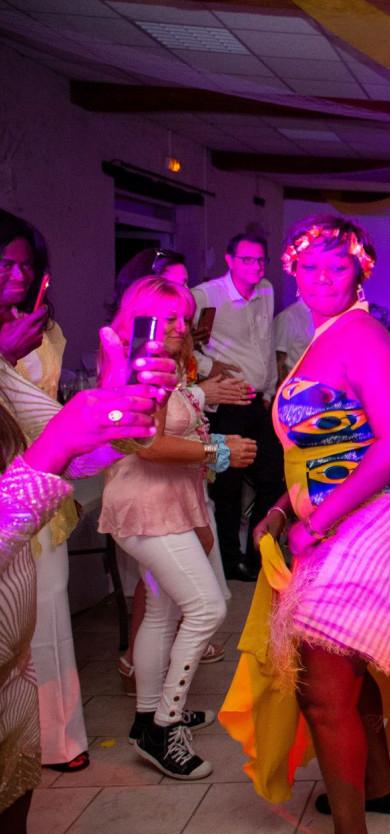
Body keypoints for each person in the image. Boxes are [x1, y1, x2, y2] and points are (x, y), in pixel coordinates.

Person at [252, 215, 390, 832]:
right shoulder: (322, 335)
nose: (323, 278)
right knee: (345, 661)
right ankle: (380, 788)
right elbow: (325, 448)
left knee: (322, 691)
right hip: (340, 513)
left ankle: (350, 827)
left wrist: (319, 521)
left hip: (373, 517)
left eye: (338, 266)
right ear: (294, 272)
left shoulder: (360, 334)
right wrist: (286, 507)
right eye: (310, 267)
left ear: (361, 271)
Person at [0, 281, 177, 832]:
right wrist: (55, 448)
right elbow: (52, 452)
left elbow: (78, 454)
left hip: (11, 669)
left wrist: (119, 400)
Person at [98, 276, 252, 779]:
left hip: (167, 500)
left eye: (184, 318)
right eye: (168, 318)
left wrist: (204, 405)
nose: (179, 328)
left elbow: (174, 425)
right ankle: (162, 727)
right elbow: (149, 444)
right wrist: (219, 451)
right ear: (140, 318)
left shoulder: (159, 364)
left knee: (163, 614)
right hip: (146, 505)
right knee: (208, 607)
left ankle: (150, 716)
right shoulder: (137, 365)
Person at [0, 211, 89, 773]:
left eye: (26, 266)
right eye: (5, 264)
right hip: (15, 493)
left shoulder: (40, 325)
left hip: (39, 484)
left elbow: (51, 414)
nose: (17, 275)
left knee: (42, 612)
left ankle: (53, 738)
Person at [192, 231, 285, 581]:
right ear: (230, 260)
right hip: (226, 402)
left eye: (261, 259)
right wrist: (207, 369)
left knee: (272, 476)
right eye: (247, 259)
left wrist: (272, 389)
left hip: (258, 401)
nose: (256, 266)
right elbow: (183, 342)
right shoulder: (207, 295)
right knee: (227, 486)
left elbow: (266, 343)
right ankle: (230, 562)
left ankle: (260, 553)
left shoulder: (266, 289)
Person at [273, 297, 313, 390]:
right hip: (296, 389)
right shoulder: (289, 316)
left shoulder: (322, 314)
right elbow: (279, 360)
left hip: (317, 389)